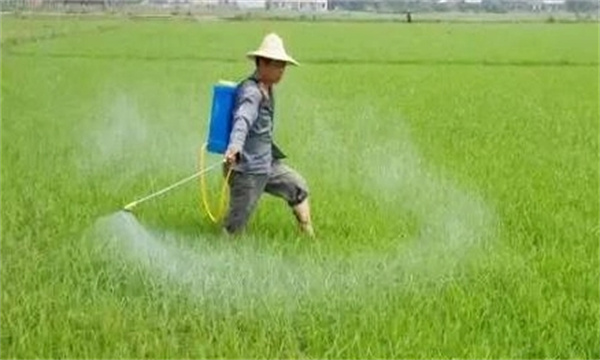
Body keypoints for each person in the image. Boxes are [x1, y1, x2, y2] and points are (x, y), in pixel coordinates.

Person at [222, 33, 315, 238]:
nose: (282, 71)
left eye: (283, 66)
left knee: (297, 187)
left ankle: (310, 237)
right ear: (262, 63)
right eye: (278, 65)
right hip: (247, 169)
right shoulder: (251, 92)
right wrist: (234, 147)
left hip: (267, 164)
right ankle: (222, 249)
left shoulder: (267, 87)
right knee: (234, 228)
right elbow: (242, 120)